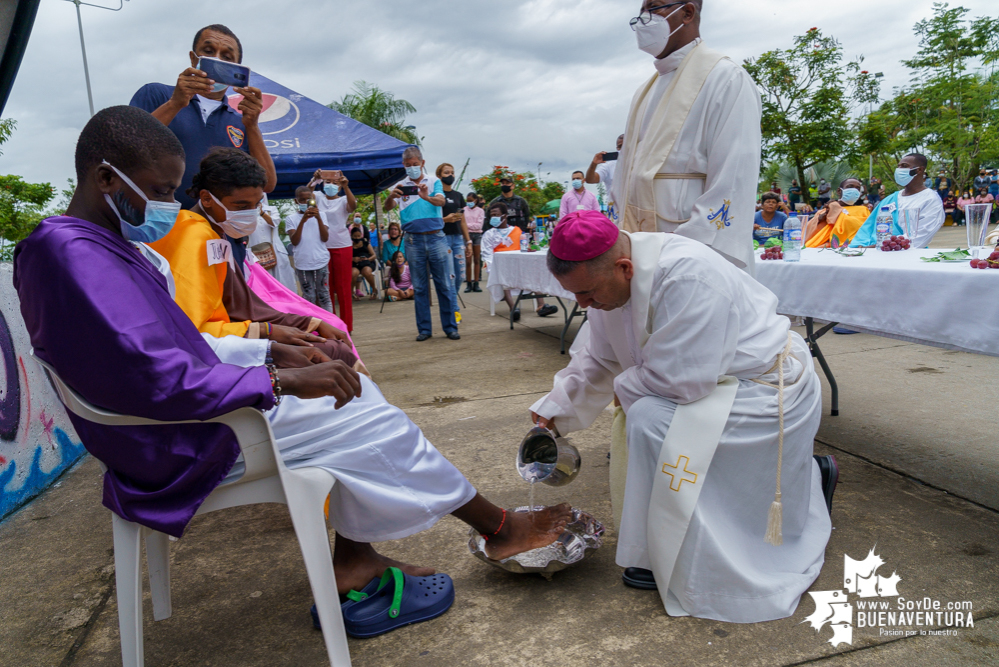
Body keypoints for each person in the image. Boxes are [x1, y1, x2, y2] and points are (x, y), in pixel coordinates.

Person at [15, 106, 573, 630]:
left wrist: (272, 350)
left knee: (353, 393)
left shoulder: (102, 245)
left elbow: (176, 347)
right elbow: (151, 372)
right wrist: (276, 378)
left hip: (173, 415)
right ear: (108, 179)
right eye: (160, 191)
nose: (168, 204)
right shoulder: (70, 250)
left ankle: (357, 558)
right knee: (368, 419)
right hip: (168, 439)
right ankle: (499, 528)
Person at [531, 211, 835, 623]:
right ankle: (657, 546)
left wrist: (625, 390)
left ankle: (707, 542)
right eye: (575, 296)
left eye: (587, 293)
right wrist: (553, 412)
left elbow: (684, 381)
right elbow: (597, 359)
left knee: (652, 420)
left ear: (624, 267)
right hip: (713, 383)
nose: (583, 305)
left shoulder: (688, 275)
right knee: (647, 415)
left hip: (765, 387)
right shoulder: (608, 285)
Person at [148, 147, 361, 371]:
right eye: (241, 206)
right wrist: (267, 331)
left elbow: (238, 305)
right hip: (209, 353)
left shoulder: (211, 231)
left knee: (325, 337)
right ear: (207, 198)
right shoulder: (195, 237)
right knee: (333, 352)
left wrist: (308, 323)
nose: (251, 213)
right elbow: (192, 330)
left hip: (228, 335)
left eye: (256, 204)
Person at [615, 1, 762, 274]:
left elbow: (733, 179)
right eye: (642, 11)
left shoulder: (726, 79)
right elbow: (626, 177)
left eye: (655, 8)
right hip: (641, 253)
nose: (644, 19)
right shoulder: (644, 92)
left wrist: (682, 260)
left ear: (687, 12)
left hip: (695, 257)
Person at [129, 25, 276, 210]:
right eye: (208, 52)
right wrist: (175, 103)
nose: (217, 60)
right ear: (193, 59)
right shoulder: (157, 94)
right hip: (156, 225)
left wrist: (252, 126)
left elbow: (268, 184)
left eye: (227, 57)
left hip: (213, 233)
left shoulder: (241, 121)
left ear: (237, 70)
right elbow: (127, 150)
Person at [383, 147, 460, 341]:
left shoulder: (434, 182)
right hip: (412, 239)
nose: (412, 168)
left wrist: (426, 196)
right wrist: (392, 196)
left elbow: (441, 202)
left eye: (415, 165)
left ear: (422, 163)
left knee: (444, 283)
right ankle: (424, 329)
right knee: (419, 286)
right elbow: (387, 207)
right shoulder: (400, 185)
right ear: (403, 165)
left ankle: (450, 327)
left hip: (436, 237)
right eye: (408, 165)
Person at [851, 154, 945, 249]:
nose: (899, 170)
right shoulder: (890, 199)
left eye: (904, 166)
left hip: (905, 256)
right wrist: (859, 247)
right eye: (898, 166)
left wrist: (878, 247)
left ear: (919, 170)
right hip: (871, 254)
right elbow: (868, 228)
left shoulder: (930, 200)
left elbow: (920, 236)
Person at [307, 170, 357, 332]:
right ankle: (331, 325)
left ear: (340, 186)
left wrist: (346, 187)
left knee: (343, 287)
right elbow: (305, 195)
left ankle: (346, 326)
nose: (331, 185)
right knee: (326, 287)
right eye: (328, 182)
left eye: (335, 183)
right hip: (322, 246)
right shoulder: (318, 197)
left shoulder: (343, 199)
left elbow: (353, 206)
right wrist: (314, 180)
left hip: (342, 246)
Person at [287, 186, 333, 311]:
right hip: (303, 263)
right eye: (302, 200)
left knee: (324, 295)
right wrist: (303, 220)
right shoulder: (291, 219)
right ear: (296, 201)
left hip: (320, 260)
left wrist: (318, 218)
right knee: (309, 296)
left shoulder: (322, 215)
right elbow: (294, 241)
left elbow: (325, 238)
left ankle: (331, 325)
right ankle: (311, 326)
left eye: (309, 199)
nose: (305, 202)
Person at [480, 203, 524, 320]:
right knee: (503, 277)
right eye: (492, 215)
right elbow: (487, 254)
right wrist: (493, 267)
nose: (493, 217)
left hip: (518, 265)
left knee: (533, 272)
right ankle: (513, 308)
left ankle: (542, 306)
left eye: (497, 215)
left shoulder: (517, 231)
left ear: (505, 216)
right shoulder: (489, 234)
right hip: (500, 267)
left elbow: (524, 247)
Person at [437, 163, 472, 298]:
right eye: (446, 173)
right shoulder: (436, 196)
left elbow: (462, 220)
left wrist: (468, 241)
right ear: (439, 176)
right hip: (442, 238)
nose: (450, 175)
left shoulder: (458, 196)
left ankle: (450, 302)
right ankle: (453, 309)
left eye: (452, 172)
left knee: (460, 276)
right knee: (449, 276)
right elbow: (433, 219)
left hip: (457, 238)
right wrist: (445, 219)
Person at [804, 178, 869, 248]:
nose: (854, 190)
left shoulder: (864, 210)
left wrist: (836, 211)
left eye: (858, 188)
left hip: (856, 247)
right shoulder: (825, 211)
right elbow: (809, 233)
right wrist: (821, 220)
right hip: (829, 249)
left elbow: (867, 232)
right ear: (839, 191)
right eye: (850, 187)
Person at [248, 203, 296, 292]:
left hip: (276, 252)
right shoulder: (245, 212)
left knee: (282, 283)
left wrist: (262, 213)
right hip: (255, 254)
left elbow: (275, 223)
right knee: (262, 285)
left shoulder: (271, 209)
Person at [585, 134, 626, 214]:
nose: (623, 149)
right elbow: (590, 179)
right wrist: (594, 164)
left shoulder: (639, 163)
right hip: (615, 212)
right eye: (620, 146)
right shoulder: (609, 165)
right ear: (617, 148)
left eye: (626, 145)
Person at [464, 193, 485, 293]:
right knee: (468, 261)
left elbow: (479, 226)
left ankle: (476, 283)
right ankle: (468, 283)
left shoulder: (480, 211)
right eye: (467, 200)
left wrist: (468, 225)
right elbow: (462, 224)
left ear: (476, 200)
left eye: (471, 200)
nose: (469, 202)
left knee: (477, 260)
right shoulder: (463, 210)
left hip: (477, 235)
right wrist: (471, 225)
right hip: (467, 235)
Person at [350, 226, 378, 300]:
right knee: (353, 273)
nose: (357, 238)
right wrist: (353, 259)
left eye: (358, 236)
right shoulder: (349, 244)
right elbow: (345, 258)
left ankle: (374, 290)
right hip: (354, 264)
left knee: (366, 271)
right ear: (351, 236)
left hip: (366, 263)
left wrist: (367, 259)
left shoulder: (365, 243)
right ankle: (352, 292)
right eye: (355, 236)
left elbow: (374, 255)